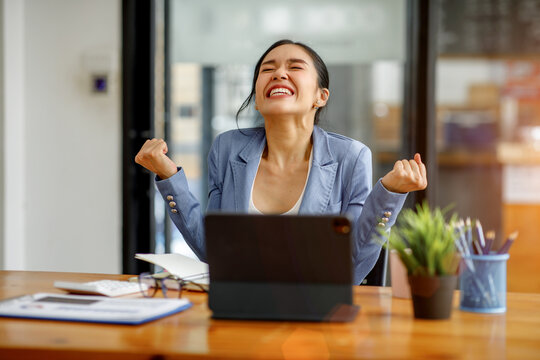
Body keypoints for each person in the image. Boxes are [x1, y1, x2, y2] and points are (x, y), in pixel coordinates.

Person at [135, 39, 427, 284]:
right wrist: (168, 176)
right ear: (258, 99)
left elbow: (350, 267)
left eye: (295, 67)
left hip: (314, 316)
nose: (278, 74)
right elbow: (214, 252)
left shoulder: (351, 157)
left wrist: (391, 192)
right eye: (267, 69)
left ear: (320, 96)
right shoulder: (227, 148)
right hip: (238, 308)